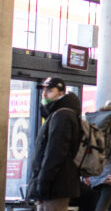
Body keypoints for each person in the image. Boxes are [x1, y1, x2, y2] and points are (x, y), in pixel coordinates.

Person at [28, 77, 82, 211]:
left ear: (61, 93)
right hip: (51, 186)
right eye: (43, 91)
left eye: (49, 91)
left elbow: (55, 153)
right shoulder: (54, 115)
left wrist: (42, 185)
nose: (44, 94)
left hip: (56, 186)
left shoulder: (63, 116)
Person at [83, 101, 111, 211]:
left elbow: (86, 148)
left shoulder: (95, 123)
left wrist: (85, 173)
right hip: (110, 173)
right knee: (102, 207)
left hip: (95, 170)